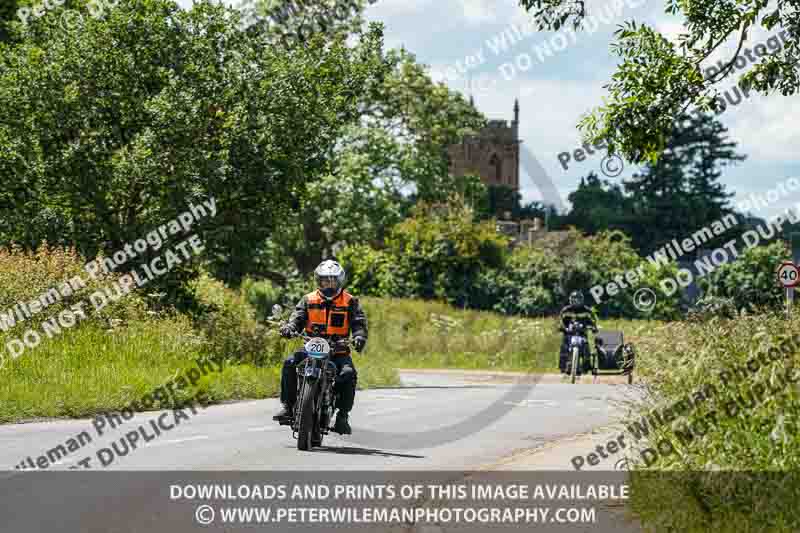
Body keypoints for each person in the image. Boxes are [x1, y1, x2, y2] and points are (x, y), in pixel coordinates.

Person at [272, 260, 367, 435]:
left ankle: (342, 416)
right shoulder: (308, 299)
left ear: (339, 281)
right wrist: (290, 328)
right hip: (311, 349)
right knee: (289, 363)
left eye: (332, 280)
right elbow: (297, 318)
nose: (328, 284)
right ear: (318, 281)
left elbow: (358, 323)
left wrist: (359, 336)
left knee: (348, 374)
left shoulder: (350, 302)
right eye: (324, 280)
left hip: (338, 351)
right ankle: (288, 406)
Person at [558, 291, 598, 374]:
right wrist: (561, 327)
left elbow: (593, 321)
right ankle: (563, 367)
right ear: (570, 300)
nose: (576, 302)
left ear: (582, 300)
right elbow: (560, 321)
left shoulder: (587, 310)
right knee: (564, 347)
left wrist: (593, 327)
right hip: (569, 333)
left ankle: (586, 366)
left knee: (586, 347)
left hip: (582, 333)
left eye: (578, 300)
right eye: (574, 299)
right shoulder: (566, 310)